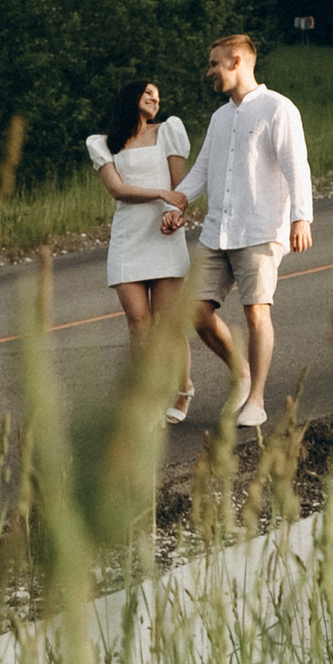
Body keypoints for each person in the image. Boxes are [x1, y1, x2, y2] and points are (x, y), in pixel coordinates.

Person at [160, 31, 313, 430]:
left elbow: (296, 166)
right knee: (195, 310)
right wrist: (176, 204)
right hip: (217, 231)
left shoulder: (278, 108)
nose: (209, 71)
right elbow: (202, 170)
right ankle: (240, 371)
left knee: (256, 311)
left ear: (237, 61)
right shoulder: (220, 117)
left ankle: (256, 399)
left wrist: (301, 217)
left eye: (214, 63)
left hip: (260, 228)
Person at [85, 74, 196, 420]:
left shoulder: (168, 130)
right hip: (128, 238)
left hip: (164, 234)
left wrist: (175, 214)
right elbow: (117, 190)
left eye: (158, 95)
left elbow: (180, 188)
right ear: (131, 96)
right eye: (148, 92)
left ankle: (182, 389)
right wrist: (161, 194)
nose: (155, 99)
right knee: (138, 322)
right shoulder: (104, 143)